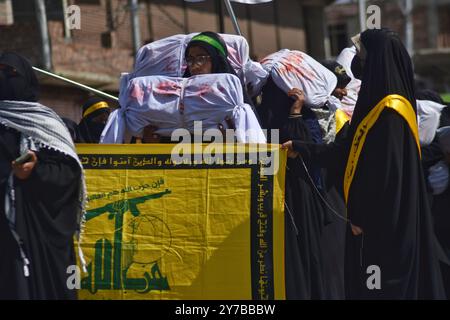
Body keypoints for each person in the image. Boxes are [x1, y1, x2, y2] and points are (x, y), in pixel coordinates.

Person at [283, 28, 446, 299]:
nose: (357, 60)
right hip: (372, 224)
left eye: (361, 54)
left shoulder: (391, 112)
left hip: (383, 227)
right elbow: (346, 150)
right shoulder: (374, 106)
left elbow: (386, 177)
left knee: (381, 287)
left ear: (377, 59)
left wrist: (362, 216)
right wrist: (302, 148)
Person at [0, 52, 85, 299]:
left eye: (10, 73)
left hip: (39, 231)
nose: (3, 78)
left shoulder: (46, 125)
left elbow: (68, 175)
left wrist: (35, 171)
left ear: (26, 79)